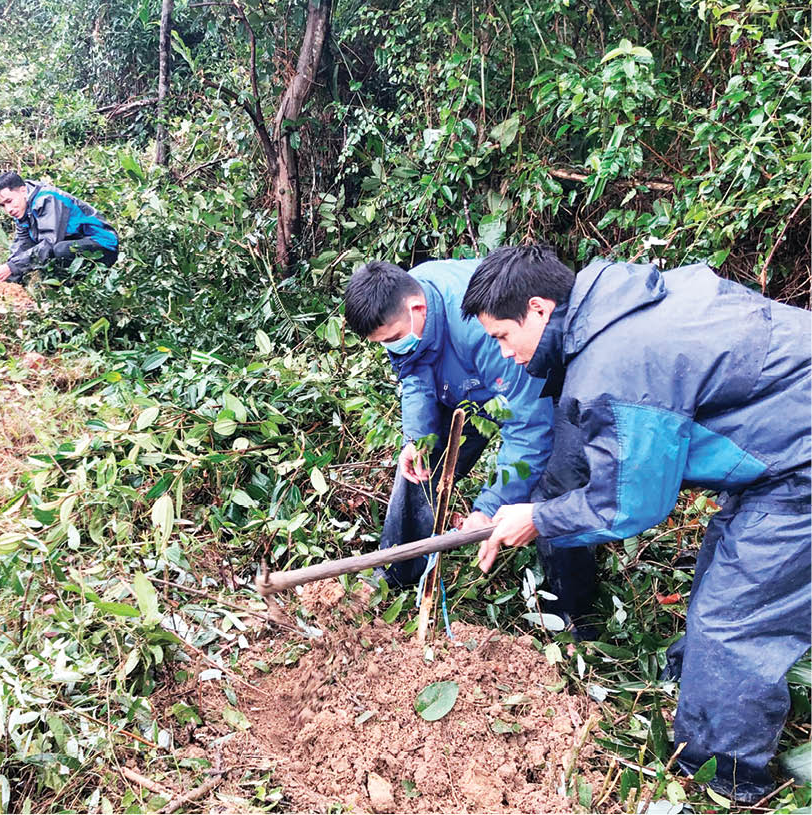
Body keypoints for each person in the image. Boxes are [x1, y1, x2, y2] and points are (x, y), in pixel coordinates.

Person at [463, 244, 811, 803]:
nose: (504, 353)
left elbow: (630, 503)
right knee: (722, 571)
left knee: (734, 622)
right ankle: (697, 685)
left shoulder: (619, 363)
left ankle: (723, 778)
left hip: (799, 467)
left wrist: (540, 517)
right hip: (779, 454)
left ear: (538, 309)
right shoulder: (617, 308)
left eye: (503, 336)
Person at [344, 259, 594, 620]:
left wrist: (489, 508)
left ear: (418, 309)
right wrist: (417, 437)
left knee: (554, 488)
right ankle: (397, 571)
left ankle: (573, 618)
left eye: (393, 339)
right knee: (420, 463)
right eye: (383, 343)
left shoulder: (491, 335)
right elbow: (412, 369)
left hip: (534, 388)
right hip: (466, 387)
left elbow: (528, 429)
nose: (391, 347)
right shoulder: (404, 305)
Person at [0, 172, 118, 284]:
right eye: (3, 205)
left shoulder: (47, 199)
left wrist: (13, 267)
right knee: (41, 257)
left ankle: (78, 286)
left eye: (9, 201)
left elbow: (50, 242)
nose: (8, 209)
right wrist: (5, 277)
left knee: (58, 250)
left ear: (23, 190)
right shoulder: (21, 208)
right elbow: (22, 245)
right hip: (72, 242)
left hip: (102, 245)